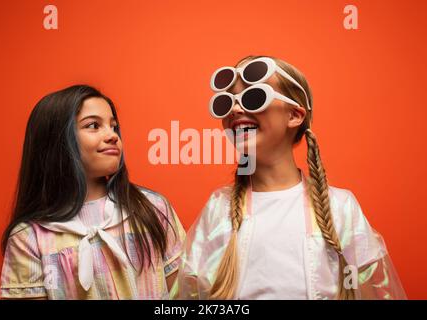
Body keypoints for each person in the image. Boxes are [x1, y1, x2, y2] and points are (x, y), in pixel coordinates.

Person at [174, 56, 406, 300]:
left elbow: (375, 292)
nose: (235, 109)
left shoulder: (341, 208)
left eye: (253, 98)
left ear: (294, 115)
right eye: (226, 102)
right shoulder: (218, 209)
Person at [0, 85, 185, 299]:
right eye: (94, 125)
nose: (112, 135)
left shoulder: (153, 208)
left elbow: (185, 294)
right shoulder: (29, 237)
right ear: (57, 141)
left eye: (113, 126)